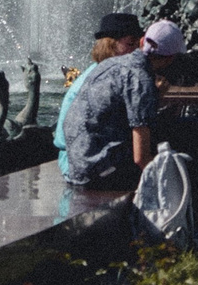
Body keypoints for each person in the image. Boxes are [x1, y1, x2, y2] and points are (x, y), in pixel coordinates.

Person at [57, 13, 152, 188]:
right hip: (78, 161)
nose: (137, 50)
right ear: (110, 45)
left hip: (85, 156)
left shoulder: (104, 72)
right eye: (130, 43)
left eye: (138, 43)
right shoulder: (100, 78)